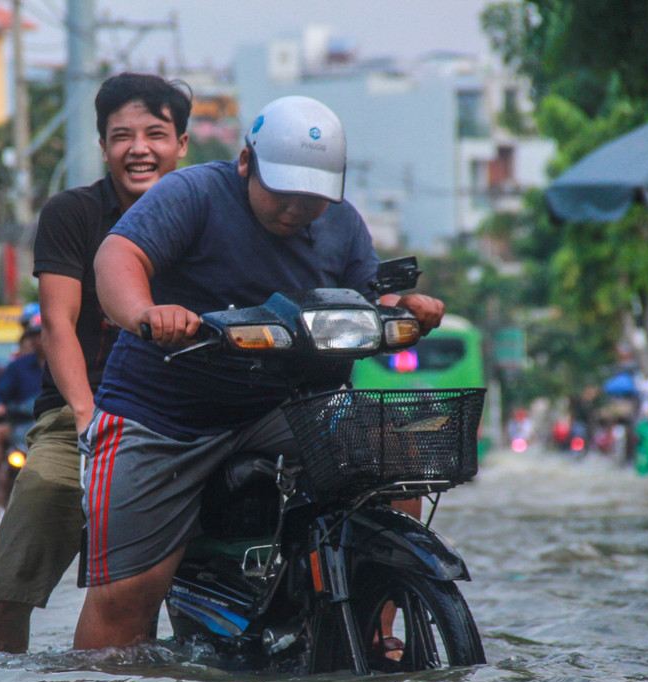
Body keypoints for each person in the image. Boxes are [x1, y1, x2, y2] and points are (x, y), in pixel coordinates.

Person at [75, 95, 446, 650]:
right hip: (165, 416)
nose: (296, 209)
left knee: (392, 450)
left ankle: (378, 634)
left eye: (311, 197)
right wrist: (146, 313)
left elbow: (369, 294)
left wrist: (406, 308)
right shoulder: (193, 194)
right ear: (246, 163)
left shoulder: (342, 223)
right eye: (283, 192)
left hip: (287, 407)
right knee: (127, 599)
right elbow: (118, 258)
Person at [0, 73, 192, 653]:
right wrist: (86, 416)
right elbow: (57, 323)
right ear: (102, 146)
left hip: (185, 421)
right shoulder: (72, 213)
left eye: (155, 134)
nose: (139, 149)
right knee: (18, 564)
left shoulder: (212, 214)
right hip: (83, 419)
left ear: (182, 143)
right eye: (122, 136)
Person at [0, 314, 47, 511]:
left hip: (54, 423)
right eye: (35, 335)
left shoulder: (67, 361)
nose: (39, 339)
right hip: (22, 424)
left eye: (42, 333)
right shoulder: (18, 366)